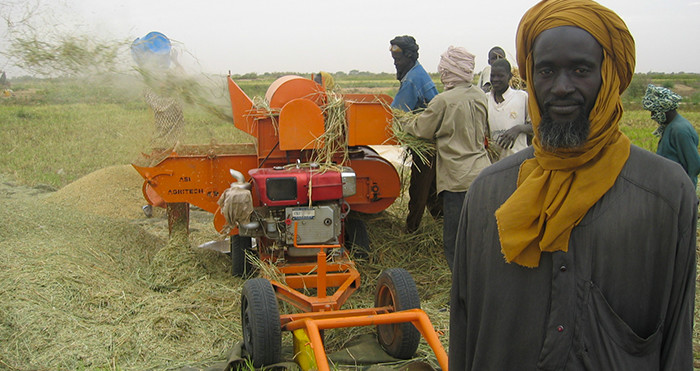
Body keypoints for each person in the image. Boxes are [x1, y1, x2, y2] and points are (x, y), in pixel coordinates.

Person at [449, 0, 697, 370]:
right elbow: (465, 325)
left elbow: (676, 335)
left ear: (608, 75)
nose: (561, 88)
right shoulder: (489, 192)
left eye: (581, 70)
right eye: (546, 71)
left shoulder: (664, 193)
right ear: (532, 77)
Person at [403, 46, 489, 270]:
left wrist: (401, 121)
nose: (441, 73)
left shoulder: (444, 101)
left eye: (444, 69)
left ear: (451, 71)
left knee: (455, 241)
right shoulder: (480, 95)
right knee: (478, 235)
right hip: (482, 173)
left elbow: (422, 129)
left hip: (456, 179)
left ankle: (461, 292)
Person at [389, 35, 442, 233]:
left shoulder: (412, 79)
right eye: (394, 60)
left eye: (399, 60)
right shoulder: (417, 72)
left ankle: (411, 230)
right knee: (432, 189)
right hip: (433, 138)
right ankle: (444, 225)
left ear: (410, 57)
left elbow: (396, 112)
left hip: (427, 142)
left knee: (420, 189)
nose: (396, 64)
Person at [643, 84, 700, 187]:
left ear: (664, 109)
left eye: (654, 111)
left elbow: (694, 165)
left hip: (678, 189)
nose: (652, 116)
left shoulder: (680, 130)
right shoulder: (670, 126)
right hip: (668, 187)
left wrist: (686, 193)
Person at [487, 58, 533, 161]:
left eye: (500, 76)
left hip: (518, 161)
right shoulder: (485, 99)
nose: (495, 79)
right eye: (493, 76)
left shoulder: (522, 97)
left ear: (510, 77)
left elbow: (536, 127)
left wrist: (518, 129)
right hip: (494, 163)